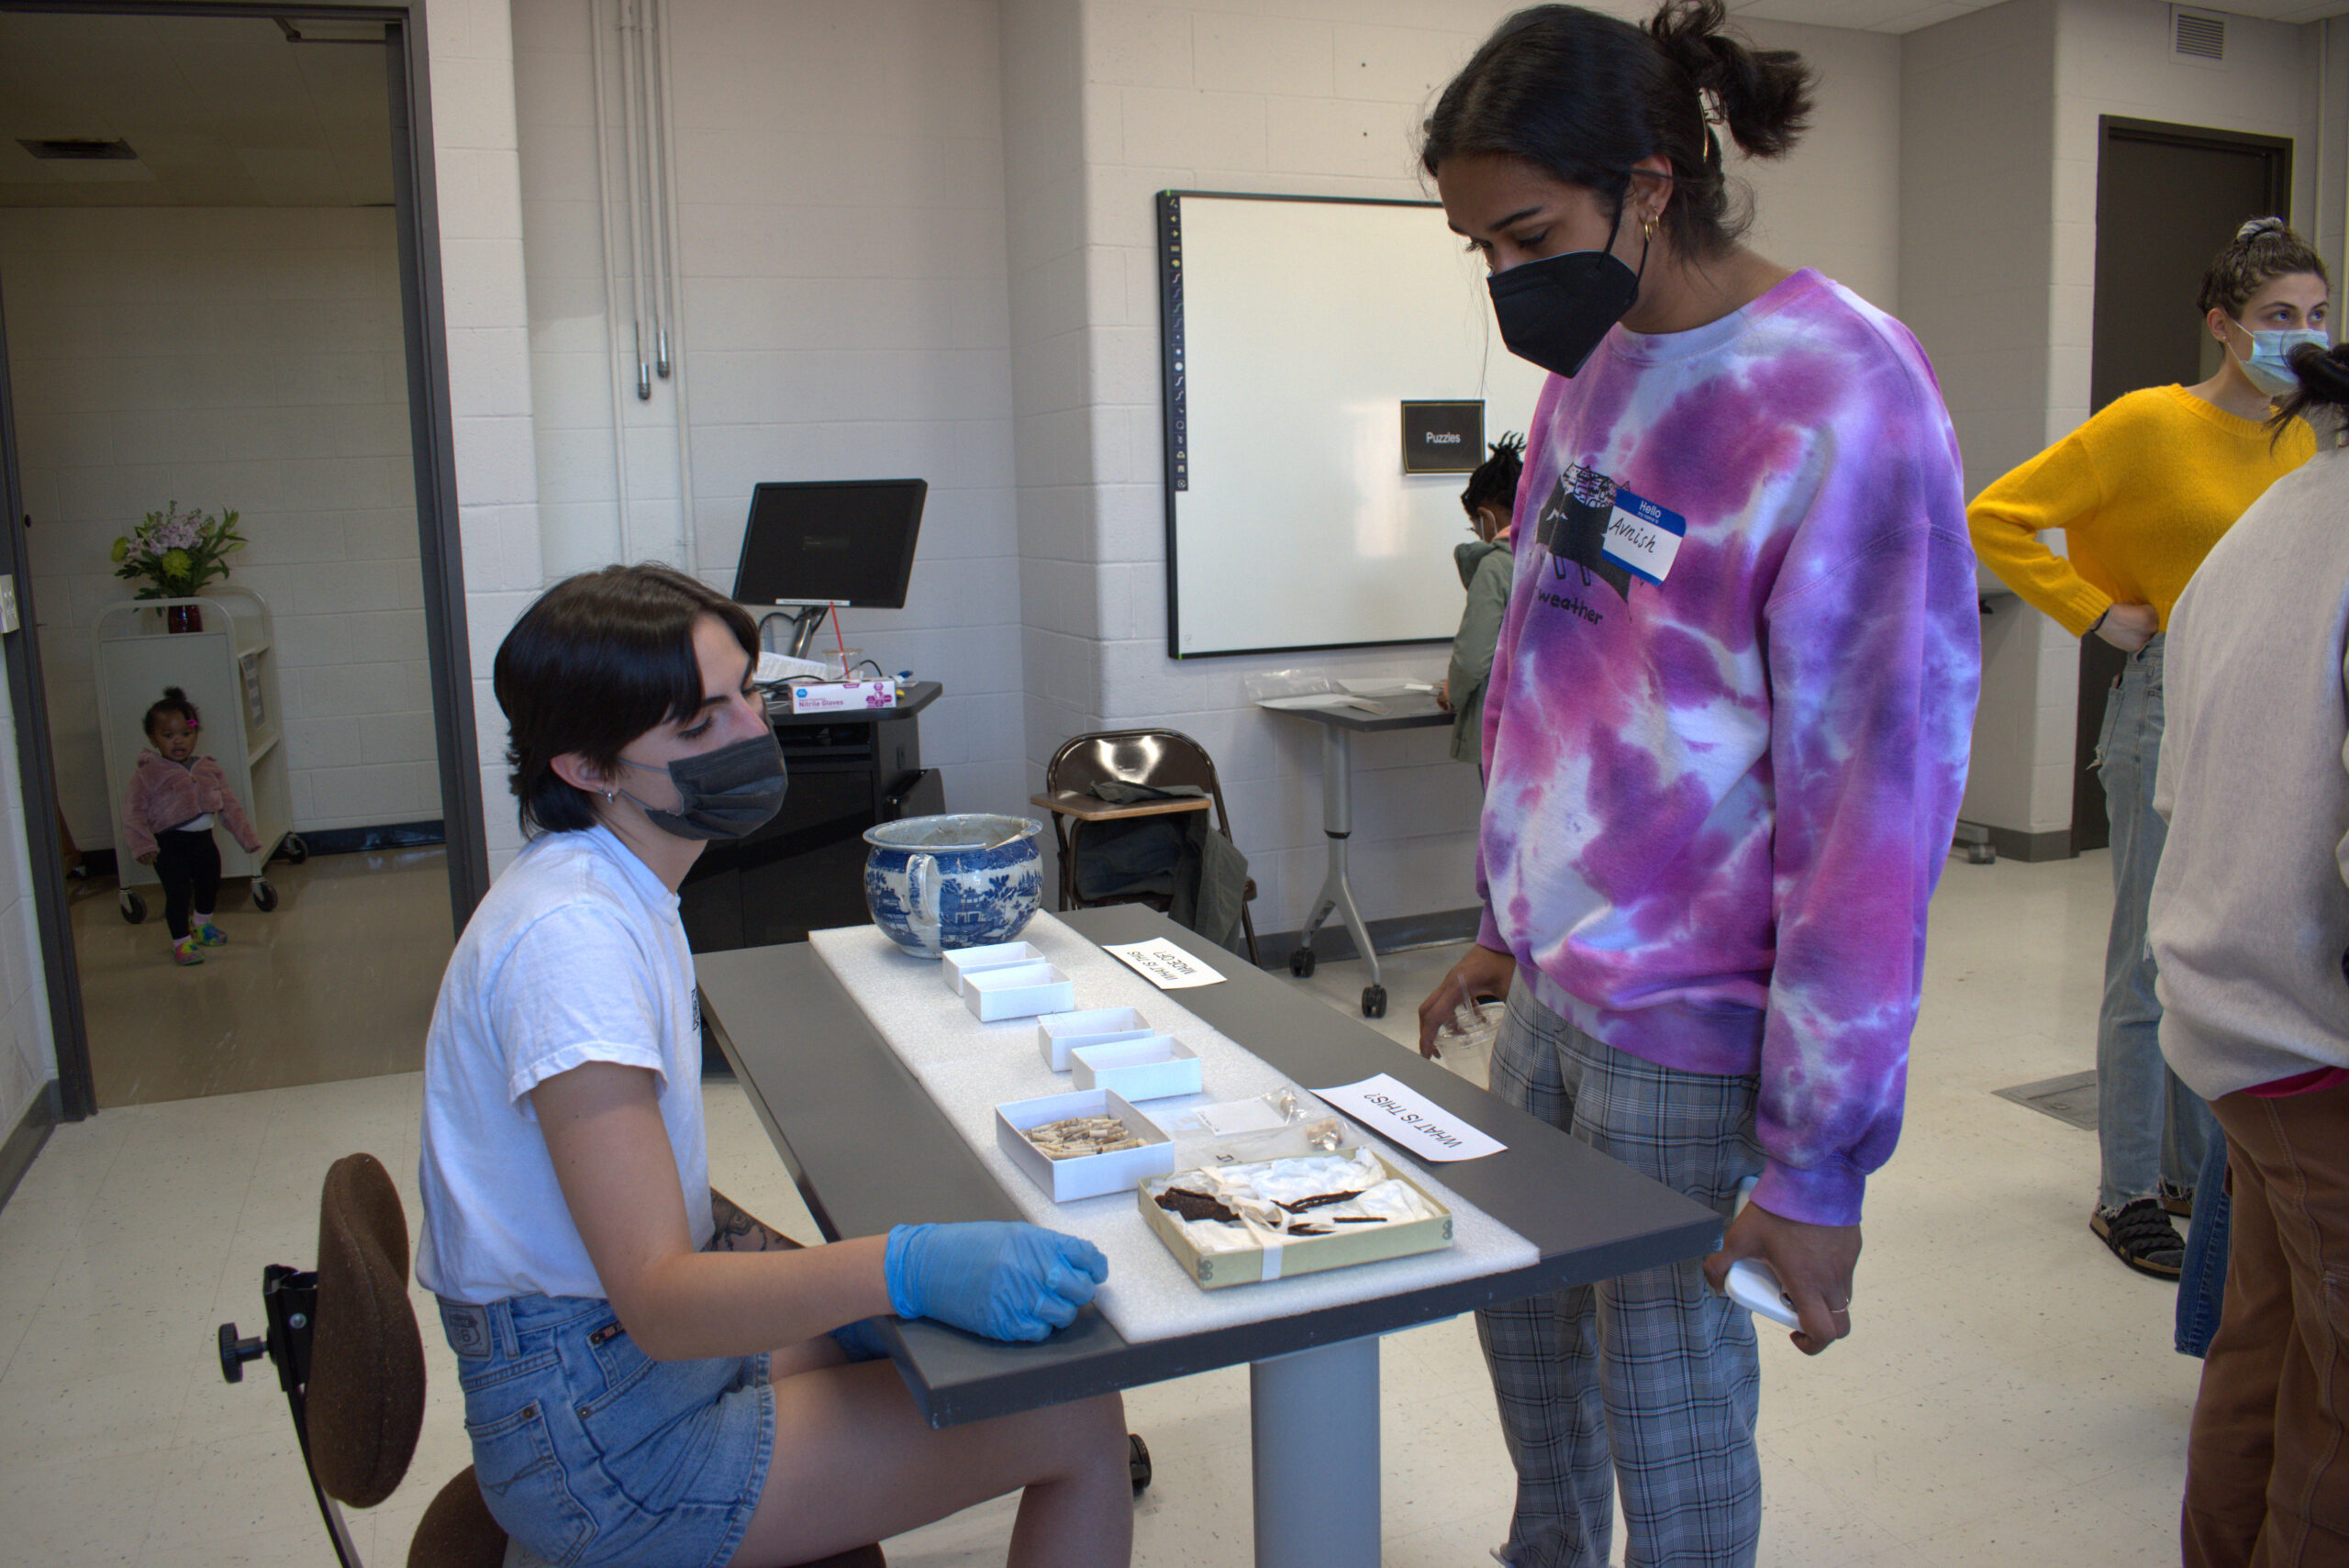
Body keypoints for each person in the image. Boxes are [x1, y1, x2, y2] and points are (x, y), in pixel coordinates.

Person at [1410, 6, 1979, 1564]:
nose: (1510, 279)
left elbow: (1878, 812)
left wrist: (1816, 1163)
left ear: (1651, 186)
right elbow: (1558, 668)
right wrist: (1507, 919)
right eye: (1481, 247)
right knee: (1530, 1358)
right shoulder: (1592, 368)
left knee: (1664, 1405)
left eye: (1528, 231)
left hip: (1692, 1014)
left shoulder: (1840, 391)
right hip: (1559, 986)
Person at [416, 563, 1132, 1568]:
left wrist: (862, 1293)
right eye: (700, 726)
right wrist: (902, 1266)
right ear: (589, 766)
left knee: (948, 1342)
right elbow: (662, 1299)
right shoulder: (571, 942)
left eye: (745, 692)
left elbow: (655, 1207)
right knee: (1080, 1419)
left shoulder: (611, 882)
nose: (750, 734)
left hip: (612, 1374)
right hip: (606, 1445)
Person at [1968, 217, 2328, 1280]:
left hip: (2278, 703)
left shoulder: (2315, 434)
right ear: (2222, 326)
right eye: (2276, 318)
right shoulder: (2147, 424)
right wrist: (2093, 612)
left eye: (2315, 315)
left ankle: (2189, 1168)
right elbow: (1999, 514)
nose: (2299, 335)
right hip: (2170, 694)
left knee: (2232, 951)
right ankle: (2125, 1186)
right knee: (2148, 955)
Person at [2145, 339, 2349, 1567]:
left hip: (2239, 1018)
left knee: (2270, 1351)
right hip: (2311, 1037)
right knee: (2331, 1400)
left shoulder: (2276, 516)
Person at [120, 685, 262, 966]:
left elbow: (230, 806)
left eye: (187, 734)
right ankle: (181, 942)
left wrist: (247, 838)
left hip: (203, 841)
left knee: (210, 883)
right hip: (169, 845)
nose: (178, 742)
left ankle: (201, 923)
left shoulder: (208, 768)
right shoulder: (148, 773)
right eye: (168, 735)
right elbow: (133, 812)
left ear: (197, 734)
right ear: (153, 738)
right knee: (178, 892)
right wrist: (143, 845)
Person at [1439, 432, 1526, 764]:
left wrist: (1452, 692)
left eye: (1475, 525)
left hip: (1501, 723)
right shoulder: (1551, 562)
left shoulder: (1494, 566)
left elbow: (1473, 657)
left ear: (1486, 515)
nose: (1478, 534)